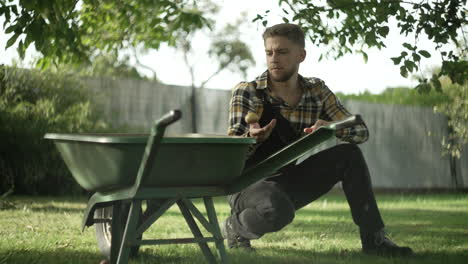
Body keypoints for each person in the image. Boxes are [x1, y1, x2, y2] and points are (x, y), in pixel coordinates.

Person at [222, 23, 413, 257]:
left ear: (301, 55)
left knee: (349, 154)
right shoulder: (248, 91)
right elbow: (230, 155)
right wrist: (251, 138)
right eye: (269, 52)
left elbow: (361, 132)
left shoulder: (316, 91)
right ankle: (235, 228)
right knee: (277, 210)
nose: (274, 59)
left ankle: (374, 240)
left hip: (287, 180)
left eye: (282, 52)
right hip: (247, 184)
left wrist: (332, 129)